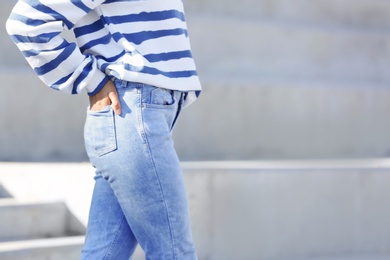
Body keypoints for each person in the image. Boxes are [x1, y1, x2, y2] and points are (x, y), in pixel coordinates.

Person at [6, 0, 201, 259]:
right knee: (175, 254)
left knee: (104, 254)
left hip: (140, 115)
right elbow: (27, 22)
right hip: (132, 113)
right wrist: (91, 80)